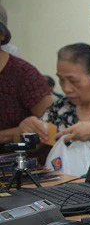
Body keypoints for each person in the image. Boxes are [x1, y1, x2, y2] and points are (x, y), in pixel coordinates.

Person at [17, 43, 90, 146]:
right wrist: (28, 130)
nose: (66, 89)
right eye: (61, 80)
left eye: (73, 81)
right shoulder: (60, 109)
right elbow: (38, 144)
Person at [0, 8, 52, 143]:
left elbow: (51, 124)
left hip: (19, 160)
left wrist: (13, 134)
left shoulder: (23, 74)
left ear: (1, 35)